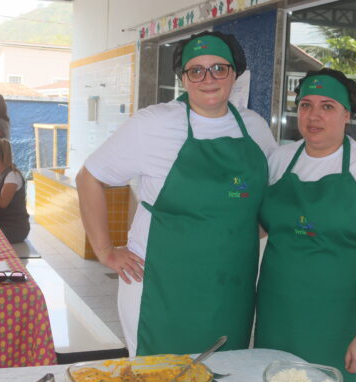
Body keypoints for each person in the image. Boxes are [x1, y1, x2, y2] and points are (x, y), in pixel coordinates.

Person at [76, 30, 277, 356]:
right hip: (162, 283)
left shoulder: (255, 127)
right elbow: (89, 178)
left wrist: (247, 230)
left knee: (225, 375)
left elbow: (272, 192)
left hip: (231, 285)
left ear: (234, 73)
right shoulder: (153, 124)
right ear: (183, 78)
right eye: (195, 70)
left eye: (218, 68)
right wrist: (105, 250)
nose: (207, 78)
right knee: (158, 381)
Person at [254, 68, 356, 382]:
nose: (313, 116)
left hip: (337, 322)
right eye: (305, 105)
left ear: (347, 115)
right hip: (277, 313)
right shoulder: (280, 160)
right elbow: (260, 227)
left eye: (327, 106)